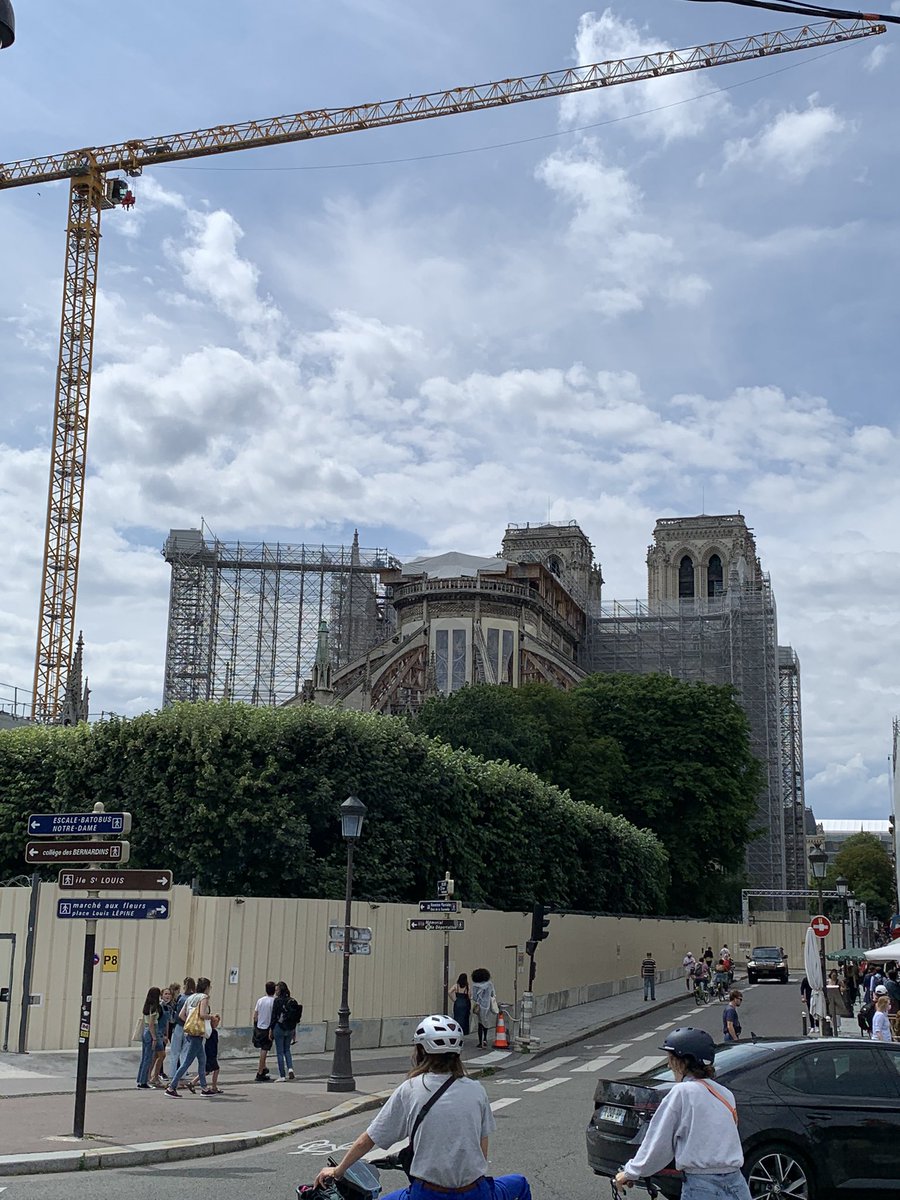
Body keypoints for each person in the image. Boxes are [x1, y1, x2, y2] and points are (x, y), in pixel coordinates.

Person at [313, 1014, 531, 1200]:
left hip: (428, 1194)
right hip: (475, 1192)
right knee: (520, 1184)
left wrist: (338, 1170)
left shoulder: (411, 1089)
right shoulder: (476, 1090)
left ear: (420, 1051)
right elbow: (482, 1153)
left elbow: (367, 1140)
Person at [613, 1027, 751, 1200]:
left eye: (671, 1059)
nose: (669, 1065)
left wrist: (630, 1172)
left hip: (702, 1187)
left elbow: (659, 1142)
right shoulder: (725, 1094)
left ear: (683, 1062)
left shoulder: (682, 1093)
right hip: (737, 1185)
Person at [166, 977, 215, 1097]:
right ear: (206, 988)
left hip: (190, 1032)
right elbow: (202, 1014)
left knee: (202, 1060)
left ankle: (204, 1087)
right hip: (197, 1033)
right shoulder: (204, 998)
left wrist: (190, 1021)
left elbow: (182, 1015)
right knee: (187, 1061)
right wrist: (211, 1017)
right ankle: (172, 1087)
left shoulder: (190, 998)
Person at [166, 975, 195, 1080]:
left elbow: (176, 1012)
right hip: (189, 1027)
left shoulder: (181, 998)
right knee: (185, 1052)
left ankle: (172, 1073)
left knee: (175, 1051)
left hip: (179, 1026)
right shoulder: (195, 998)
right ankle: (183, 1073)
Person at [271, 980, 301, 1081]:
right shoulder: (292, 1001)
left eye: (276, 990)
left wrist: (271, 1029)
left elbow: (274, 1016)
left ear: (279, 991)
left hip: (279, 1027)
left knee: (279, 1052)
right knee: (287, 1050)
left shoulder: (277, 1001)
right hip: (290, 1028)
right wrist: (294, 1032)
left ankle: (282, 1075)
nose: (275, 992)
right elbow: (295, 1017)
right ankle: (290, 1069)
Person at [136, 986, 162, 1089]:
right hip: (151, 1031)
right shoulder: (154, 1008)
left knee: (144, 1058)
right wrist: (154, 1038)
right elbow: (152, 1024)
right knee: (148, 1058)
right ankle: (143, 1082)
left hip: (145, 1031)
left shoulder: (147, 1007)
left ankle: (140, 1079)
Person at [148, 985, 173, 1088]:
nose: (168, 996)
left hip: (163, 1033)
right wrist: (159, 1035)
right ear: (161, 996)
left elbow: (167, 1022)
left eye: (169, 994)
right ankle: (152, 1076)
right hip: (158, 1034)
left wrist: (166, 1035)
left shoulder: (169, 1007)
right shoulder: (160, 1007)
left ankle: (154, 1076)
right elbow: (156, 1022)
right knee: (160, 1055)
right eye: (166, 994)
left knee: (157, 1056)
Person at [253, 980, 277, 1081]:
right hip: (268, 1028)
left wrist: (256, 1025)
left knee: (263, 1049)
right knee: (265, 1050)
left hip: (259, 1026)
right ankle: (260, 1071)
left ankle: (263, 1068)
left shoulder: (260, 1000)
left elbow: (255, 1015)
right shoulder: (274, 1002)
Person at [470, 968, 497, 1051]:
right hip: (487, 1005)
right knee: (486, 1023)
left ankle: (480, 1041)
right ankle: (485, 1038)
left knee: (480, 1024)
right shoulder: (489, 984)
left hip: (479, 1006)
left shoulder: (475, 985)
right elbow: (493, 994)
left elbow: (474, 997)